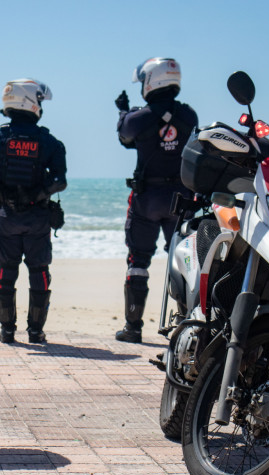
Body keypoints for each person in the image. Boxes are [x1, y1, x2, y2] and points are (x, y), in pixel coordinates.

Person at [0, 78, 67, 344]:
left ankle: (7, 331)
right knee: (39, 271)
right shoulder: (48, 141)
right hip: (37, 217)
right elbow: (59, 180)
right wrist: (34, 195)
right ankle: (36, 333)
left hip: (7, 217)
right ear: (30, 102)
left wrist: (4, 194)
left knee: (6, 270)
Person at [114, 58, 198, 343]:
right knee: (186, 261)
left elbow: (125, 137)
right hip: (181, 199)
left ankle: (133, 328)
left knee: (138, 261)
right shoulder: (189, 116)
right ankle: (188, 326)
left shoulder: (139, 117)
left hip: (147, 199)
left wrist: (123, 110)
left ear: (151, 81)